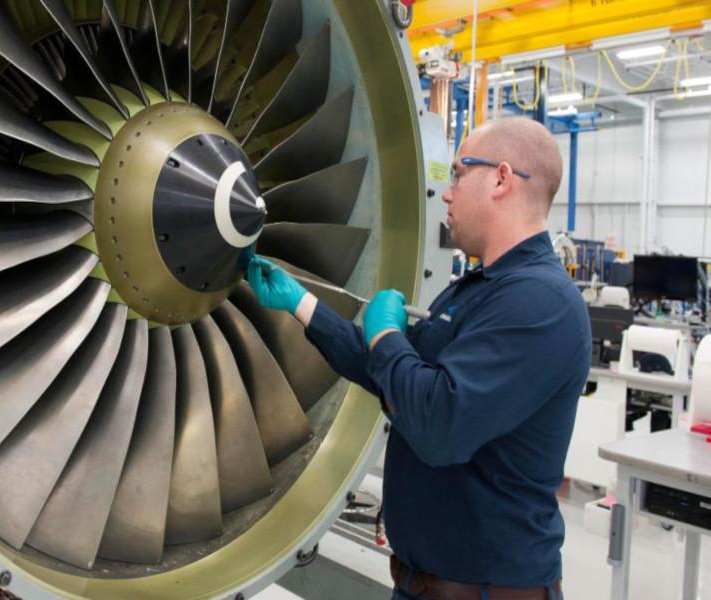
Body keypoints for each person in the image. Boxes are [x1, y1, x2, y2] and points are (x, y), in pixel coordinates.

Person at [247, 117, 590, 600]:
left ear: (501, 179)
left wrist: (387, 334)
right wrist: (301, 305)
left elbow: (437, 424)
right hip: (424, 586)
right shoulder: (479, 289)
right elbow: (394, 377)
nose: (446, 194)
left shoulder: (540, 304)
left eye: (457, 173)